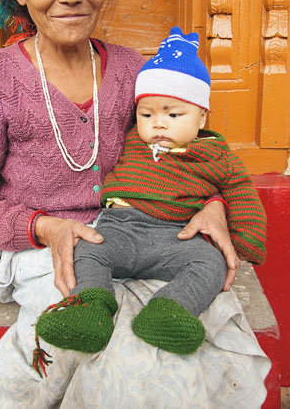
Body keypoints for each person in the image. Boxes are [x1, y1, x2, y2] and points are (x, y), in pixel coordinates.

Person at [0, 0, 270, 408]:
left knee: (169, 335)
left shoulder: (134, 70)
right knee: (107, 336)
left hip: (139, 229)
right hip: (39, 243)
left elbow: (184, 144)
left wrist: (212, 204)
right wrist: (43, 226)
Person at [34, 27, 266, 360]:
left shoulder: (216, 154)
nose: (158, 124)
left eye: (173, 115)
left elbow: (242, 192)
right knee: (86, 251)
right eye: (147, 114)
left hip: (177, 237)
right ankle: (91, 306)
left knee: (210, 263)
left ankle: (170, 310)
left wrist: (245, 242)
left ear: (202, 116)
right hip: (120, 227)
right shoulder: (131, 140)